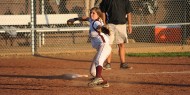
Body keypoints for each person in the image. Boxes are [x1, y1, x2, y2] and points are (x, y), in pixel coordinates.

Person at [67, 7, 111, 88]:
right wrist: (75, 19)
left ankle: (98, 78)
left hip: (104, 46)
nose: (91, 14)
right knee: (93, 72)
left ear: (98, 14)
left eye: (93, 13)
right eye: (91, 12)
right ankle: (104, 82)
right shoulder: (92, 20)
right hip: (101, 48)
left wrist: (103, 29)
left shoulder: (96, 23)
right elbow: (86, 18)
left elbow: (99, 27)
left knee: (98, 60)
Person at [99, 0, 133, 70]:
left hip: (122, 24)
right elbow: (103, 12)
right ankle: (108, 64)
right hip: (110, 25)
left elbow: (129, 13)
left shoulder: (125, 1)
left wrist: (129, 25)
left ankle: (123, 63)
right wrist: (104, 24)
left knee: (121, 44)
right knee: (109, 44)